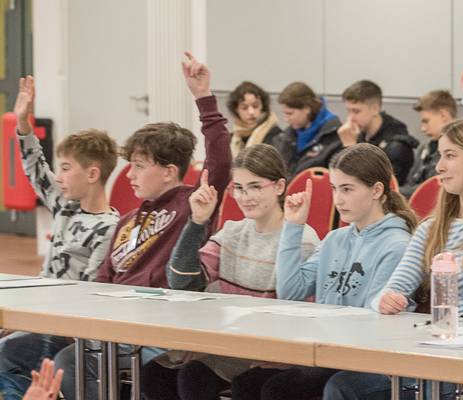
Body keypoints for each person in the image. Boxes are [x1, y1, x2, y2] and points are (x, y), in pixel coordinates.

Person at [323, 74, 463, 400]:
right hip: (446, 347)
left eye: (450, 156)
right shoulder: (431, 228)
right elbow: (391, 291)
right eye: (438, 157)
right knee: (343, 387)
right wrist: (387, 301)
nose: (439, 167)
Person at [54, 51, 232, 400]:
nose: (129, 175)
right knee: (44, 351)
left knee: (71, 361)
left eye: (138, 166)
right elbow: (103, 279)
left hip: (161, 330)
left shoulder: (191, 205)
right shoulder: (127, 221)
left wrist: (203, 98)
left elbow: (220, 161)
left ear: (168, 171)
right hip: (118, 324)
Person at [229, 143, 416, 400]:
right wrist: (293, 226)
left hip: (362, 358)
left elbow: (375, 323)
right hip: (327, 352)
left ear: (376, 190)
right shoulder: (335, 239)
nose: (338, 199)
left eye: (347, 189)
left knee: (277, 390)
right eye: (334, 189)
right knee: (247, 384)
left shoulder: (397, 244)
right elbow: (290, 291)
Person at [138, 144, 320, 400]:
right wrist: (197, 222)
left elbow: (303, 314)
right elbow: (181, 282)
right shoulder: (233, 232)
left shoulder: (301, 240)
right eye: (239, 188)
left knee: (197, 378)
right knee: (155, 374)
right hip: (231, 346)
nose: (246, 197)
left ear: (279, 187)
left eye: (255, 187)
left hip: (275, 353)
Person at [0, 76, 117, 398]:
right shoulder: (66, 206)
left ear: (92, 174)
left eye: (66, 168)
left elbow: (89, 291)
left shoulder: (108, 227)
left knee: (6, 355)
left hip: (64, 329)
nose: (59, 177)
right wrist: (23, 122)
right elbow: (34, 166)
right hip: (41, 316)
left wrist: (29, 321)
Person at [336, 80, 418, 185]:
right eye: (349, 111)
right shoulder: (359, 134)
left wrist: (349, 147)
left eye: (356, 111)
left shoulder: (396, 146)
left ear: (375, 109)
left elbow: (370, 185)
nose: (350, 118)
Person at [271, 81, 342, 176]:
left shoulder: (335, 137)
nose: (286, 119)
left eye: (290, 113)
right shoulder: (284, 137)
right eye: (285, 113)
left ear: (306, 109)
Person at [400, 89, 457, 197]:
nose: (423, 129)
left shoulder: (458, 149)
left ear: (443, 116)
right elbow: (410, 182)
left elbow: (433, 189)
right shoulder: (425, 148)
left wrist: (395, 193)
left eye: (426, 121)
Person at [225, 81, 282, 156]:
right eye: (244, 108)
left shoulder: (277, 136)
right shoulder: (231, 138)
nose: (251, 112)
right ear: (236, 110)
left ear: (263, 106)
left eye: (255, 106)